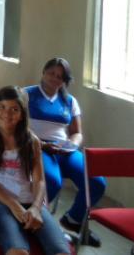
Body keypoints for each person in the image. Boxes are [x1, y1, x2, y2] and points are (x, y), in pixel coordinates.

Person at [0, 86, 70, 255]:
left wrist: (36, 207)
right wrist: (15, 206)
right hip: (1, 203)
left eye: (14, 109)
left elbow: (39, 180)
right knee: (18, 252)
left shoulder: (31, 140)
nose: (7, 114)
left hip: (31, 202)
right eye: (2, 107)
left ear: (22, 113)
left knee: (62, 252)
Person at [25, 58, 106, 247]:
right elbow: (18, 126)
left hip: (63, 150)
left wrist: (72, 144)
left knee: (96, 181)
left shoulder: (69, 101)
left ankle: (73, 221)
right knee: (52, 181)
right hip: (36, 146)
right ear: (43, 72)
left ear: (65, 80)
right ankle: (34, 222)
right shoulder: (27, 94)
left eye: (60, 76)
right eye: (51, 73)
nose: (55, 78)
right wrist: (41, 143)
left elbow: (77, 132)